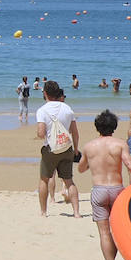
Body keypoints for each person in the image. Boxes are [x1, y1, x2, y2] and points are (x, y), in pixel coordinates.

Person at [77, 110, 131, 260]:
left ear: (97, 127)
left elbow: (81, 169)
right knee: (116, 231)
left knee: (104, 233)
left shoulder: (89, 146)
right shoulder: (120, 144)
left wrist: (91, 162)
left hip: (99, 191)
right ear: (114, 127)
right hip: (117, 192)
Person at [36, 80, 80, 218]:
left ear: (45, 93)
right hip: (66, 148)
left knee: (44, 179)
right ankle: (76, 212)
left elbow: (41, 133)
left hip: (50, 149)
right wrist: (76, 149)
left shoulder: (42, 110)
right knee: (69, 181)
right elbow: (75, 132)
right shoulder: (67, 108)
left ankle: (44, 212)